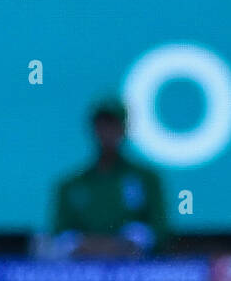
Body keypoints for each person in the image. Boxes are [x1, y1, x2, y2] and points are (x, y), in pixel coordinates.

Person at [49, 98, 168, 258]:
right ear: (93, 129)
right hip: (82, 272)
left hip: (134, 272)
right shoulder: (70, 184)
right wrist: (87, 244)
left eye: (113, 125)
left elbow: (160, 229)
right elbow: (59, 233)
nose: (107, 132)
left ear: (124, 129)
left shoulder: (147, 180)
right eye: (102, 125)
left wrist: (128, 243)